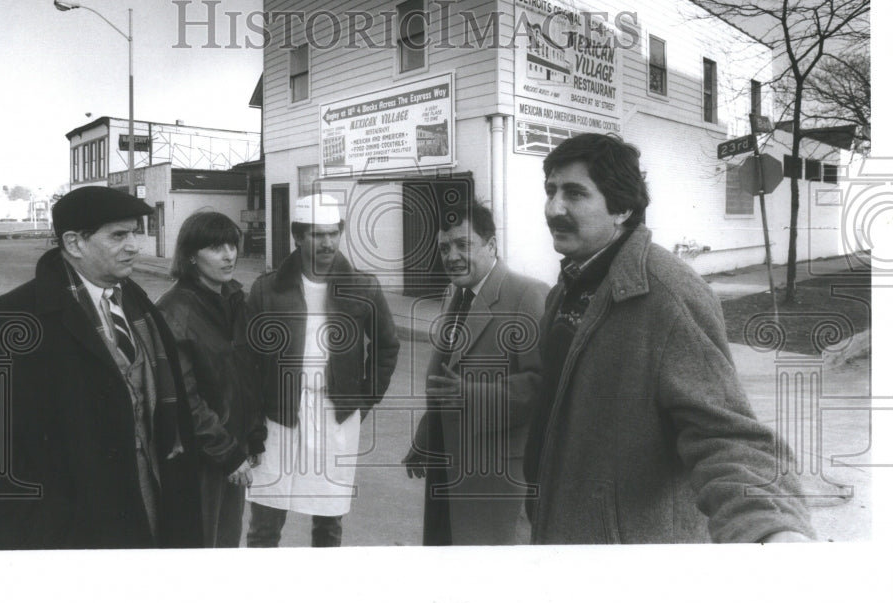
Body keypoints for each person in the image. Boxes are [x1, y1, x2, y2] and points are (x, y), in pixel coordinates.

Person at [524, 132, 815, 543]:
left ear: (622, 207)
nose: (554, 208)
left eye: (574, 193)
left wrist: (770, 527)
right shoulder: (569, 286)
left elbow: (724, 433)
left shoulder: (667, 294)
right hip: (560, 528)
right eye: (551, 191)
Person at [0, 186, 202, 549]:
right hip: (67, 542)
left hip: (149, 516)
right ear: (75, 243)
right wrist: (42, 535)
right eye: (119, 235)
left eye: (135, 232)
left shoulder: (138, 306)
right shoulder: (3, 323)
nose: (135, 246)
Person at [241, 193, 400, 547]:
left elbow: (387, 345)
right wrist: (252, 424)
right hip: (277, 417)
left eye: (333, 232)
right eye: (317, 234)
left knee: (329, 524)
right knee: (265, 523)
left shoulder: (362, 287)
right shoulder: (267, 289)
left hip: (334, 417)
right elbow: (246, 362)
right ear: (298, 236)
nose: (327, 242)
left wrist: (362, 400)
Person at [402, 202, 548, 545]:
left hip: (494, 476)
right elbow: (446, 375)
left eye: (463, 245)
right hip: (446, 465)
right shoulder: (457, 294)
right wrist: (428, 435)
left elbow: (542, 386)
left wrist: (470, 394)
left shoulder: (528, 294)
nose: (451, 256)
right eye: (444, 247)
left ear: (492, 245)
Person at [156, 210, 263, 547]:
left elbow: (248, 374)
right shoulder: (175, 311)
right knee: (202, 544)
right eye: (217, 247)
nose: (229, 254)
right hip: (202, 456)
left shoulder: (234, 299)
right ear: (191, 255)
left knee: (227, 542)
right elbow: (185, 396)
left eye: (232, 244)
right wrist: (227, 452)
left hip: (234, 448)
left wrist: (254, 436)